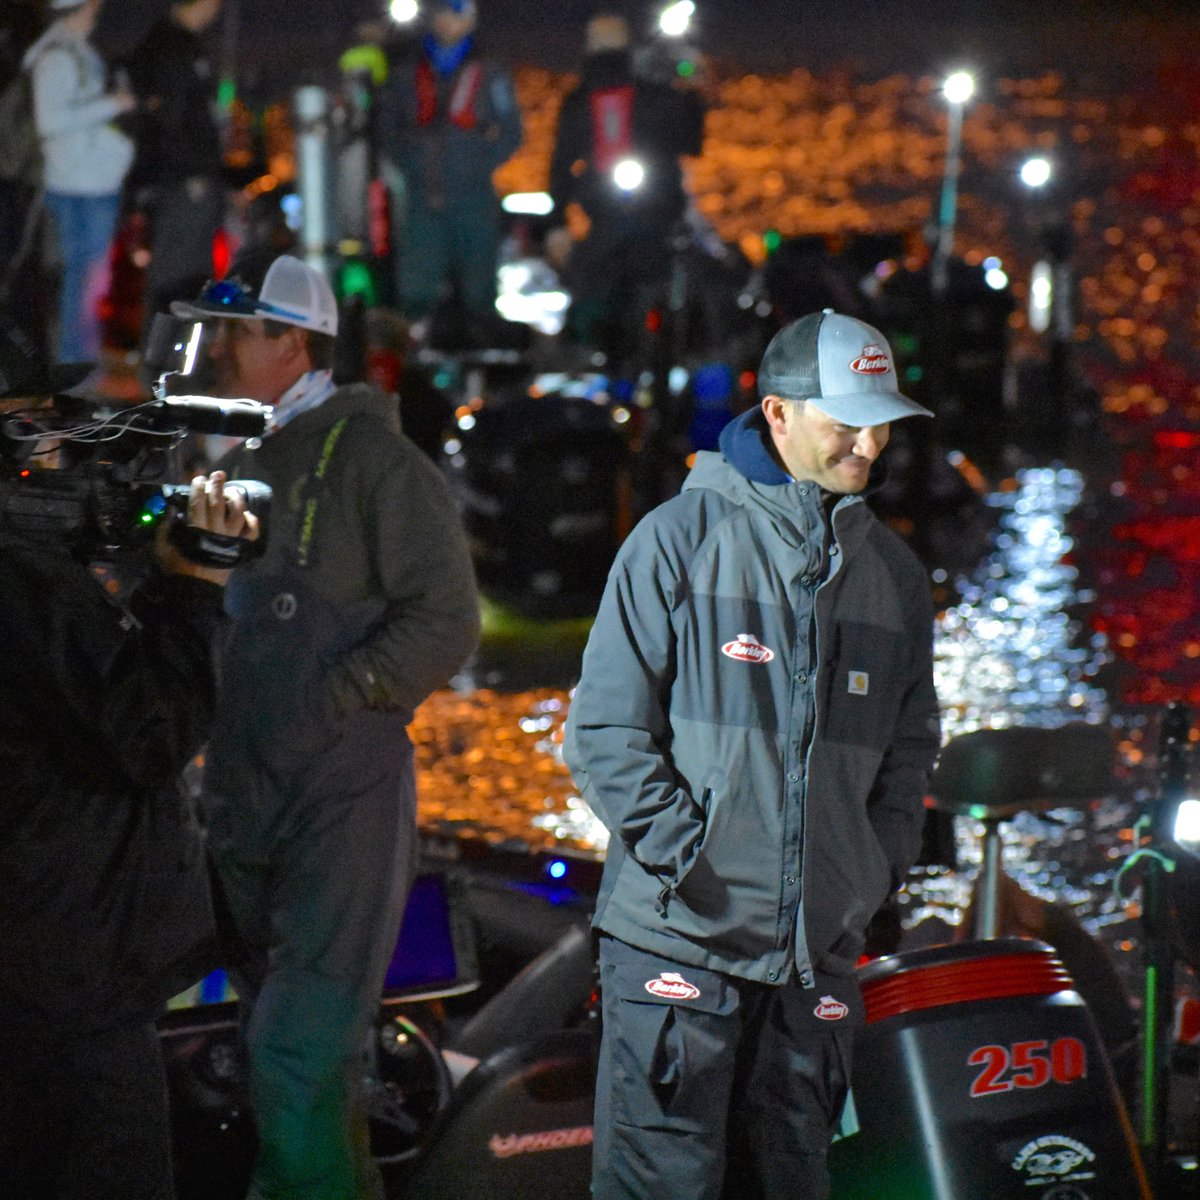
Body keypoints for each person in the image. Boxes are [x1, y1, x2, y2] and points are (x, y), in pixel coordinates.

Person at [564, 309, 942, 1200]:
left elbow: (911, 752)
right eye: (846, 421)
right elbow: (604, 734)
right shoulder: (677, 540)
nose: (870, 442)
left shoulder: (895, 578)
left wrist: (868, 873)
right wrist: (696, 862)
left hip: (817, 958)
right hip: (677, 949)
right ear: (777, 413)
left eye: (882, 422)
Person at [171, 253, 481, 1199]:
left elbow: (447, 618)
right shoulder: (240, 455)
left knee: (294, 1053)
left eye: (237, 333)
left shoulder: (378, 465)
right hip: (247, 800)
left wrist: (339, 696)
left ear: (294, 344)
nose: (216, 350)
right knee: (297, 1057)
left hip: (339, 799)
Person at [0, 323, 259, 1200]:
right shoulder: (22, 580)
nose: (59, 446)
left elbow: (82, 691)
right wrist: (196, 588)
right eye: (37, 424)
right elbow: (148, 732)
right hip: (63, 980)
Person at [548, 11, 705, 369]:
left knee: (605, 292)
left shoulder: (588, 100)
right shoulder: (648, 95)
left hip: (631, 220)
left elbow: (562, 167)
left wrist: (557, 222)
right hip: (633, 219)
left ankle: (604, 359)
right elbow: (690, 141)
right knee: (612, 293)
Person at [375, 0, 522, 346]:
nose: (448, 20)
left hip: (474, 198)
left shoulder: (490, 73)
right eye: (441, 11)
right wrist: (410, 165)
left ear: (471, 19)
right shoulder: (406, 72)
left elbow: (512, 132)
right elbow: (387, 128)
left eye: (456, 12)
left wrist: (479, 163)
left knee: (479, 290)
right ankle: (416, 358)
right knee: (417, 289)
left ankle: (480, 357)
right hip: (422, 198)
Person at [24, 0, 135, 363]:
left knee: (85, 279)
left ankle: (78, 359)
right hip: (78, 186)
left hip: (86, 181)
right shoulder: (58, 56)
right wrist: (112, 105)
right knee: (83, 279)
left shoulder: (71, 51)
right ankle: (74, 362)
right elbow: (50, 121)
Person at [122, 0, 226, 331]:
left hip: (184, 175)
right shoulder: (171, 47)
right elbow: (172, 117)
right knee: (180, 271)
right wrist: (190, 170)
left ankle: (179, 348)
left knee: (186, 270)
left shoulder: (173, 43)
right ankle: (167, 350)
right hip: (183, 180)